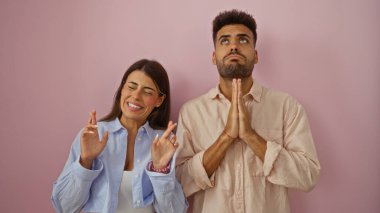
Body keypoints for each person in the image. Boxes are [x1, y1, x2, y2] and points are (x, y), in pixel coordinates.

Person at [175, 9, 321, 213]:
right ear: (213, 56)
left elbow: (308, 176)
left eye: (243, 40)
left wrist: (250, 136)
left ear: (256, 55)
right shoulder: (191, 113)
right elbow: (178, 183)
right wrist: (226, 137)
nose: (233, 46)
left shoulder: (286, 107)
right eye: (224, 41)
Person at [51, 59, 188, 213]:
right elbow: (64, 206)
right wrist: (86, 161)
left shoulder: (165, 142)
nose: (136, 96)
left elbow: (176, 211)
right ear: (122, 89)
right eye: (131, 87)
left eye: (147, 92)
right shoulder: (93, 135)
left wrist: (160, 169)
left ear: (159, 100)